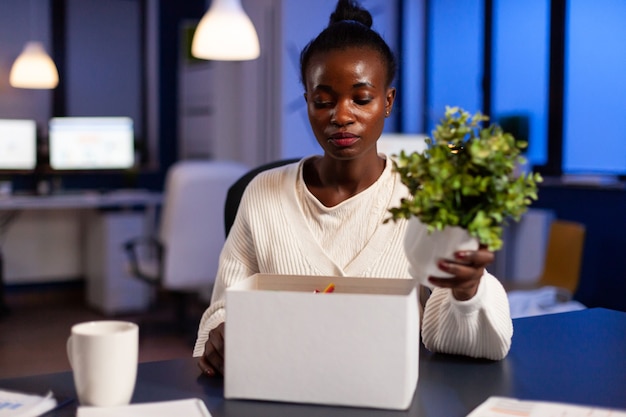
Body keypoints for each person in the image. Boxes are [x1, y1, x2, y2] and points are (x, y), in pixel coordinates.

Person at [194, 0, 513, 376]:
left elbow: (453, 340)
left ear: (387, 101)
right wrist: (220, 334)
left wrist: (467, 291)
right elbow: (223, 308)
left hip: (391, 393)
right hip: (284, 387)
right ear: (308, 104)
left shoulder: (425, 195)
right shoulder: (263, 194)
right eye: (323, 101)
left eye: (361, 99)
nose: (341, 116)